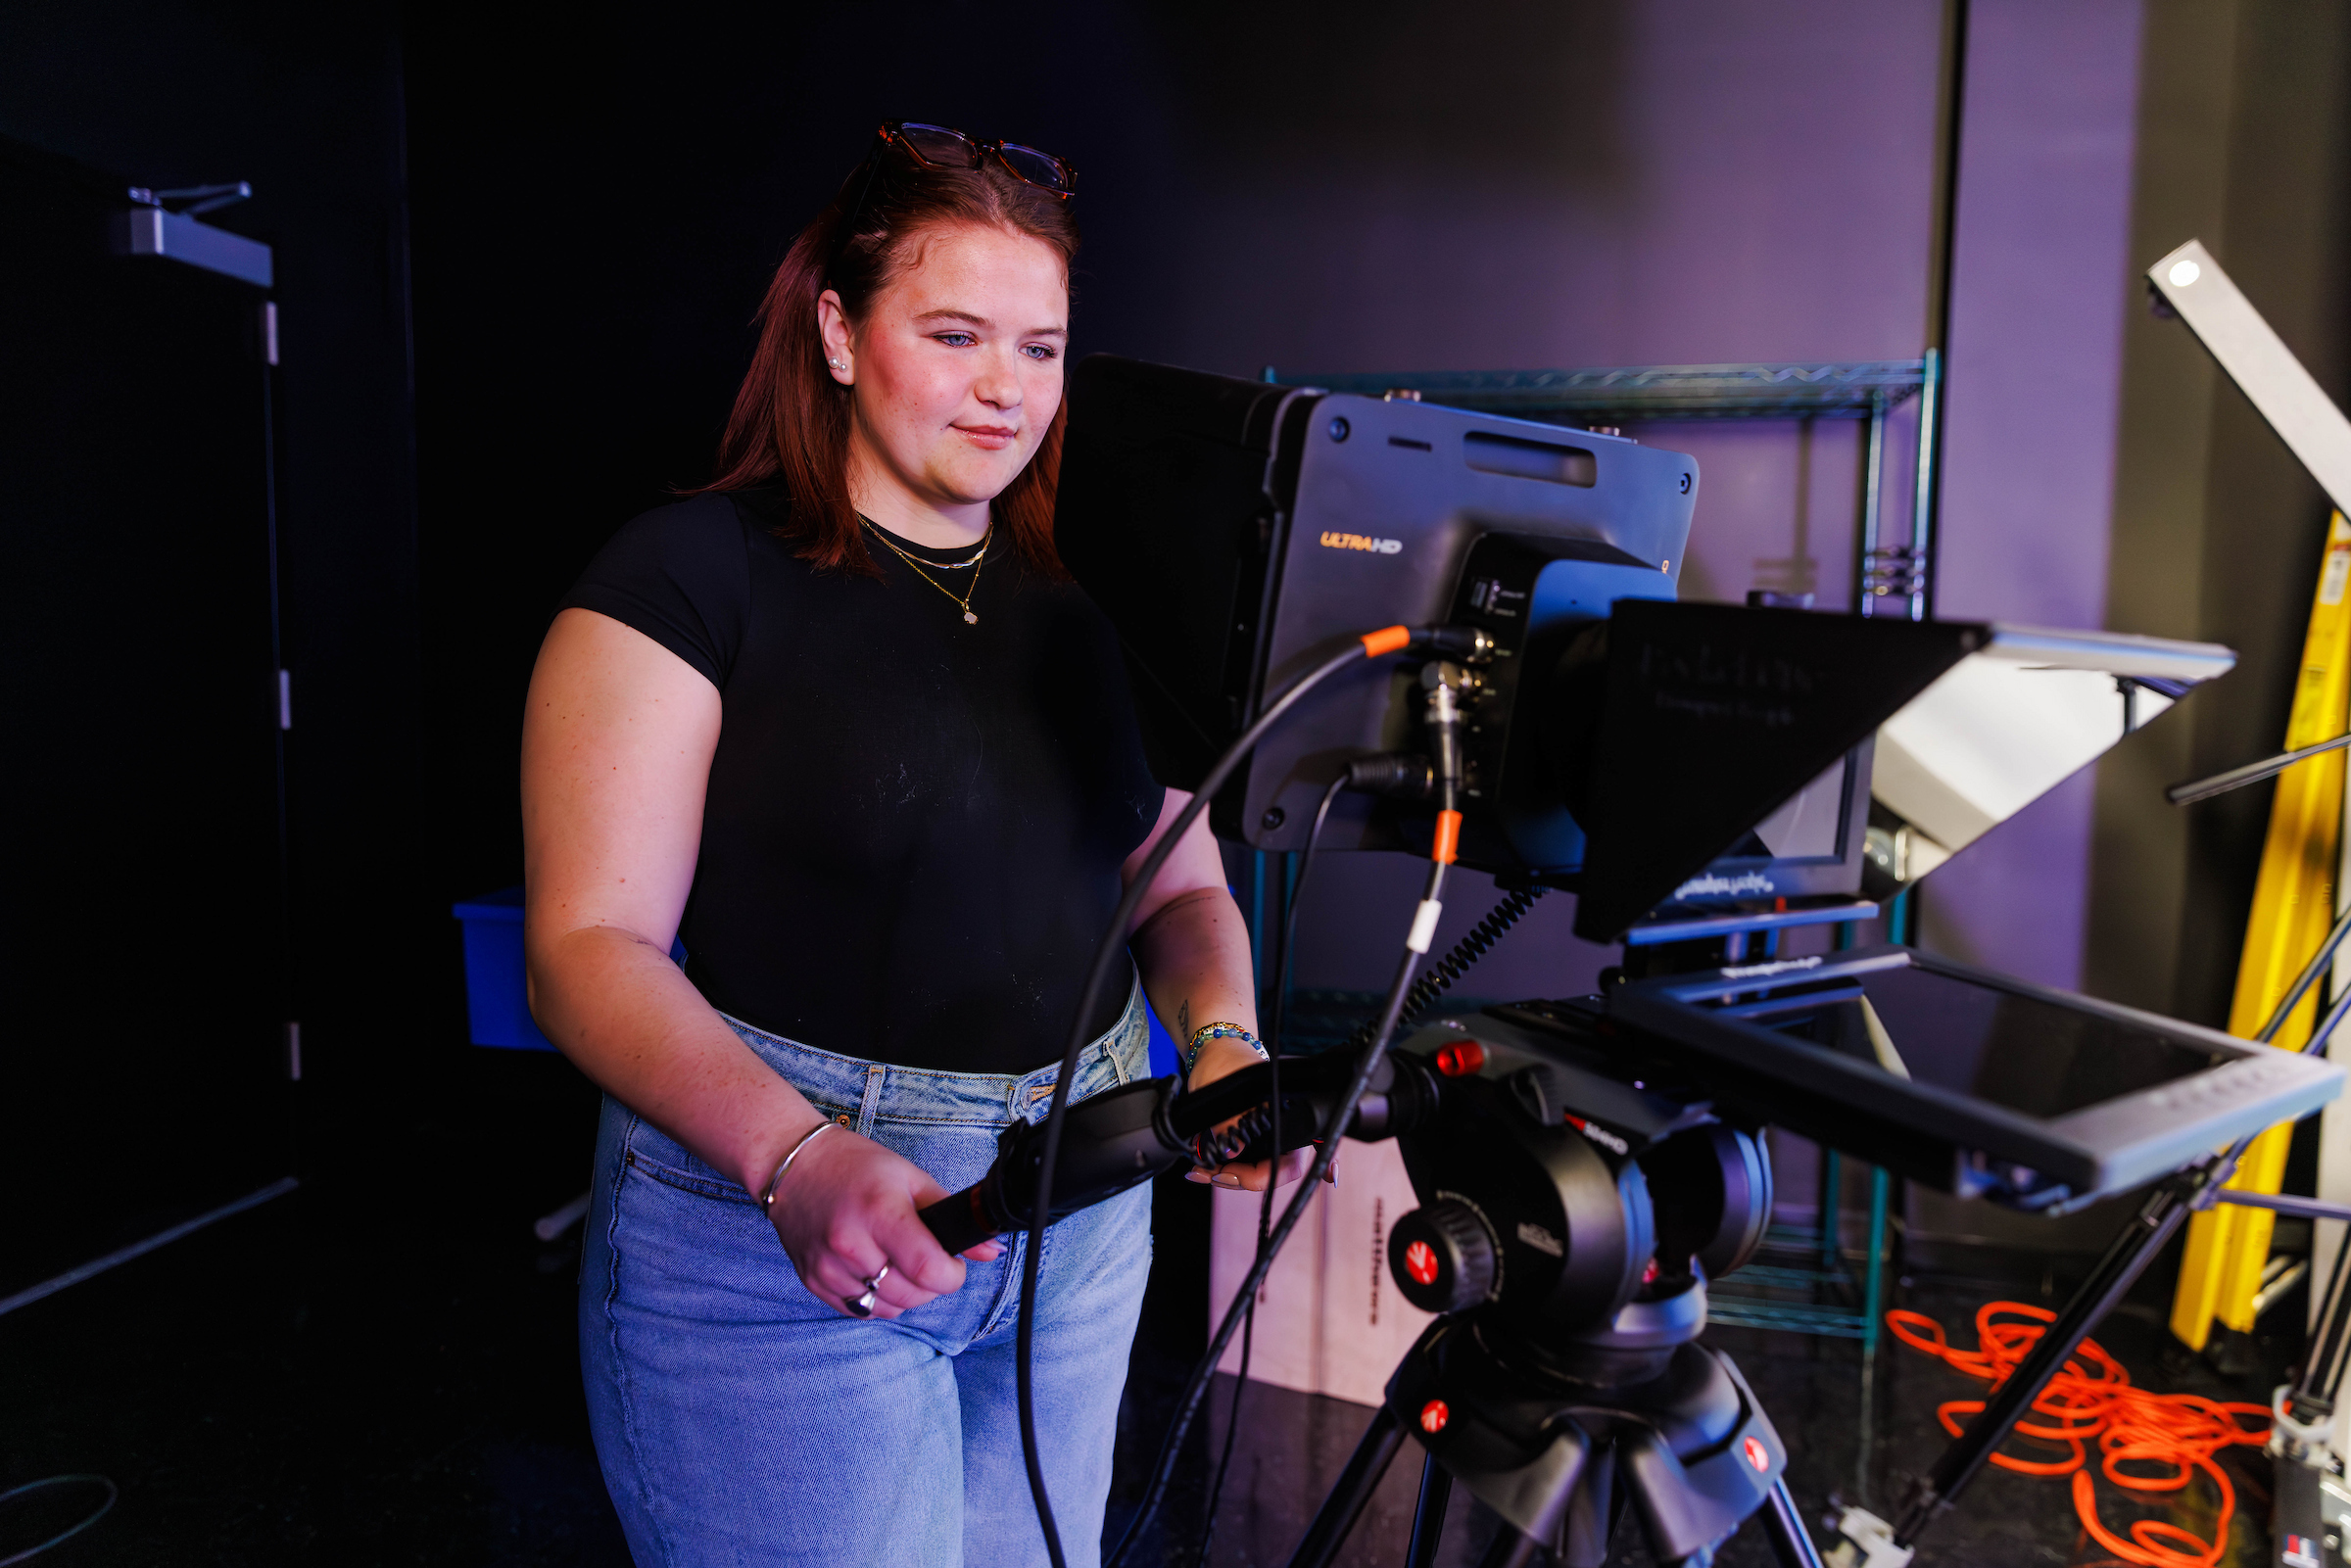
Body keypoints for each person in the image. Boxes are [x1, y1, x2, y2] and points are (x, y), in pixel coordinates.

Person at [520, 122, 1297, 1567]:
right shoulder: (682, 577)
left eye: (1041, 346)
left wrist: (1226, 1036)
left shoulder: (1099, 593)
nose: (1007, 390)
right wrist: (796, 1154)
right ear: (837, 329)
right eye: (955, 334)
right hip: (775, 1234)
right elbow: (583, 951)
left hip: (1078, 1215)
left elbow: (1176, 875)